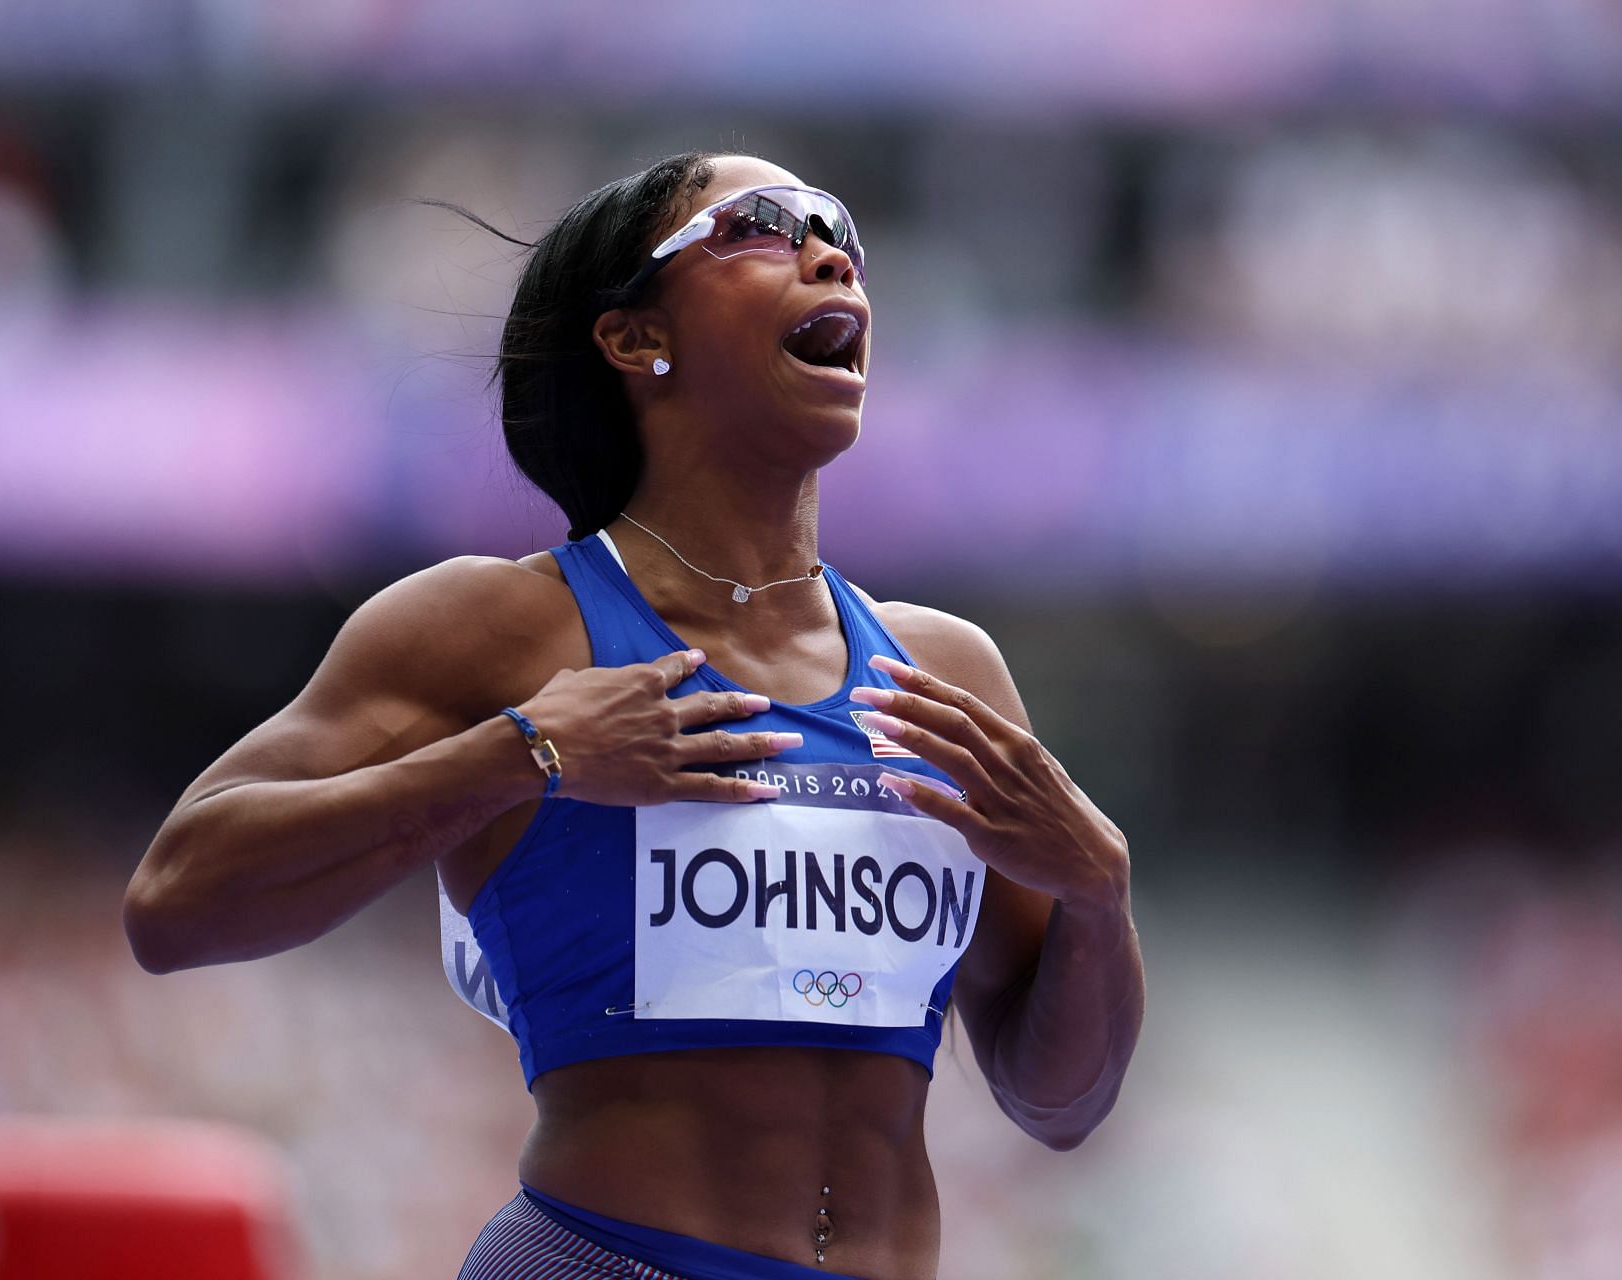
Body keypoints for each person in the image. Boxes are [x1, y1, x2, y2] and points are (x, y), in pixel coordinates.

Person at [123, 150, 1145, 1280]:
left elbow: (1060, 1102)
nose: (829, 251)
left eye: (839, 231)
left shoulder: (946, 672)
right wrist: (523, 754)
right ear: (633, 337)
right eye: (761, 225)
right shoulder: (503, 626)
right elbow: (174, 903)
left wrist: (1096, 889)